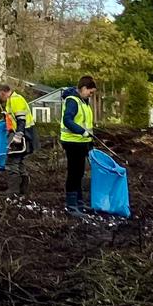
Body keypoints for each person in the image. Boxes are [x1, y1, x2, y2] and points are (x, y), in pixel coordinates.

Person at [60, 75, 99, 213]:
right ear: (83, 88)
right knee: (74, 174)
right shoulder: (73, 101)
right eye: (90, 92)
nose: (91, 95)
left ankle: (79, 203)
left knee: (79, 174)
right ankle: (71, 206)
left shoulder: (84, 102)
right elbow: (67, 120)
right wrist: (81, 132)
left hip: (82, 143)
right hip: (72, 143)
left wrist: (89, 141)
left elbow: (86, 124)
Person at [0, 82, 34, 196]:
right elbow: (14, 118)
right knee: (19, 161)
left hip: (23, 135)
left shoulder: (15, 100)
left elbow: (21, 119)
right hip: (27, 134)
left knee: (12, 162)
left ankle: (13, 189)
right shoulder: (12, 101)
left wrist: (18, 135)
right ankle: (24, 189)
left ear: (3, 92)